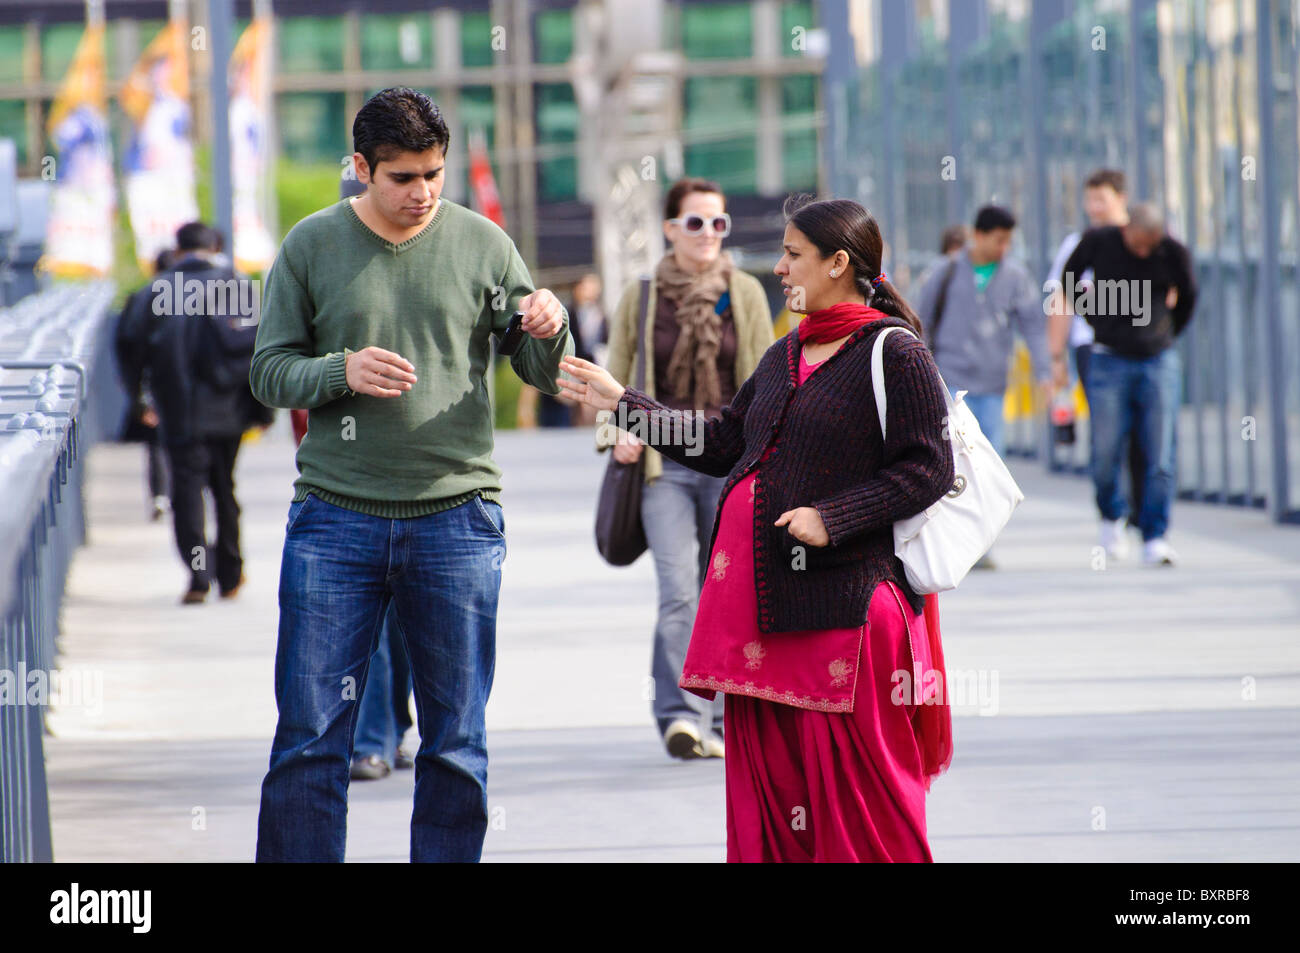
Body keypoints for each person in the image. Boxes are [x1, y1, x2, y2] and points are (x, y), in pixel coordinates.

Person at [562, 197, 956, 862]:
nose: (777, 267)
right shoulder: (784, 354)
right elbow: (723, 441)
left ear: (838, 263)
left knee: (863, 814)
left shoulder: (897, 354)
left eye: (792, 254)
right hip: (763, 623)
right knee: (774, 811)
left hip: (849, 620)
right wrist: (623, 403)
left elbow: (929, 468)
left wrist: (833, 518)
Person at [250, 87, 573, 863]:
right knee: (309, 738)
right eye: (401, 177)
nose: (422, 192)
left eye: (434, 173)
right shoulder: (310, 245)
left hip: (457, 517)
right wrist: (340, 370)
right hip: (335, 518)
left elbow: (536, 370)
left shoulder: (484, 243)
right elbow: (268, 372)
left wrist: (547, 326)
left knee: (458, 740)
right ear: (360, 168)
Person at [594, 177, 774, 761]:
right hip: (662, 463)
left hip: (728, 462)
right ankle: (679, 714)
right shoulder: (643, 296)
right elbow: (615, 373)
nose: (707, 234)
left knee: (722, 592)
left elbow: (767, 378)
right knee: (678, 591)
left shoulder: (744, 292)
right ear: (671, 229)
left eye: (718, 224)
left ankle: (720, 714)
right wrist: (618, 429)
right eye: (695, 223)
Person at [913, 204, 1052, 570]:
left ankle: (981, 544)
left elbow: (1033, 328)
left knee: (988, 465)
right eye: (999, 239)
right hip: (949, 382)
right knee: (949, 463)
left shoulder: (1015, 276)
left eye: (1009, 240)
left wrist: (1044, 372)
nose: (1004, 247)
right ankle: (948, 540)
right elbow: (920, 321)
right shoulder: (945, 272)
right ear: (978, 235)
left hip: (991, 385)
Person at [1059, 202, 1197, 566]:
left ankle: (1155, 535)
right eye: (1138, 243)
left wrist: (1167, 332)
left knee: (1160, 452)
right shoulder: (1099, 241)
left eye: (1150, 244)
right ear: (1126, 230)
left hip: (1158, 360)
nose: (1144, 251)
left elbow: (1189, 295)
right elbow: (1068, 278)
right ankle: (1111, 517)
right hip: (1108, 357)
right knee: (1105, 450)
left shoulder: (1171, 251)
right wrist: (1094, 317)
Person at [141, 222, 263, 604]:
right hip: (228, 408)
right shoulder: (238, 286)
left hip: (177, 409)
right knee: (224, 487)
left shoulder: (157, 289)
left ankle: (197, 575)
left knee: (187, 491)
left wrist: (140, 400)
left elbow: (131, 345)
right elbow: (260, 349)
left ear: (178, 250)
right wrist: (260, 410)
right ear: (215, 247)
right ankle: (230, 574)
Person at [1046, 168, 1145, 517]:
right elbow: (1061, 300)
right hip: (1093, 348)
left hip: (1143, 348)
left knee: (1145, 432)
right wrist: (1056, 358)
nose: (1094, 207)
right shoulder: (1078, 246)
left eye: (1100, 199)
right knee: (1108, 430)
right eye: (1089, 200)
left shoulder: (1143, 238)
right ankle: (1114, 511)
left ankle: (1141, 511)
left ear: (1122, 198)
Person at [115, 247, 176, 522]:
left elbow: (126, 349)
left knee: (156, 443)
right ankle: (181, 494)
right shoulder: (195, 298)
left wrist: (137, 396)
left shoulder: (139, 299)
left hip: (152, 384)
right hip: (183, 388)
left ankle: (161, 495)